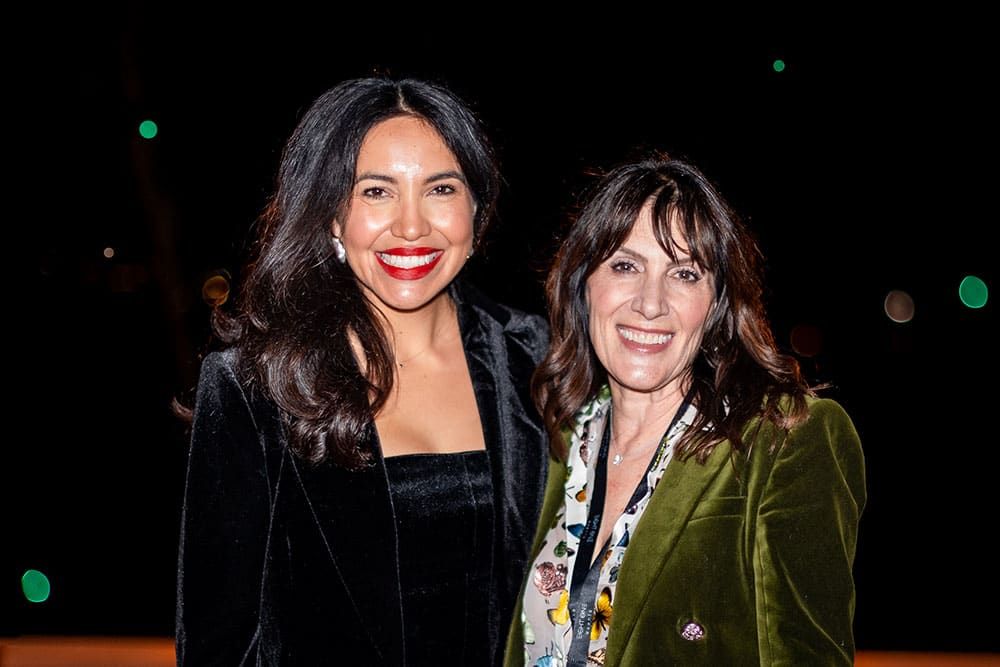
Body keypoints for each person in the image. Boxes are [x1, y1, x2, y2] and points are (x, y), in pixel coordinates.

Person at [176, 77, 549, 665]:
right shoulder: (255, 385)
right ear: (330, 215)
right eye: (376, 191)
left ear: (476, 211)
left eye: (441, 189)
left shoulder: (537, 359)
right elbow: (220, 644)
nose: (411, 226)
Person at [505, 156, 865, 666]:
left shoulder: (783, 442)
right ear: (583, 284)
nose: (651, 303)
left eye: (685, 273)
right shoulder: (551, 440)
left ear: (716, 304)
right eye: (625, 266)